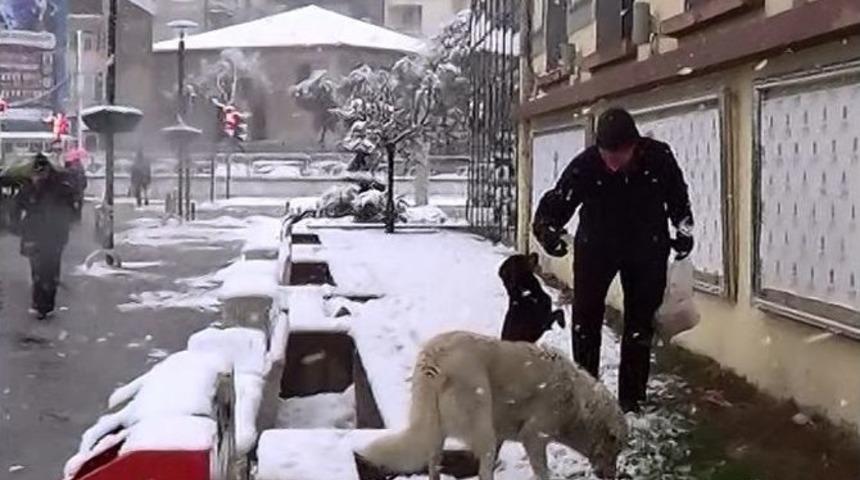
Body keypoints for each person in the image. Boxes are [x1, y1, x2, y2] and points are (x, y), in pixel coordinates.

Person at [532, 107, 694, 413]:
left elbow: (678, 196)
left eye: (619, 154)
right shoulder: (587, 165)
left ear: (635, 145)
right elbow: (559, 200)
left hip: (647, 246)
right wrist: (547, 230)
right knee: (585, 319)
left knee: (640, 324)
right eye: (607, 154)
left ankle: (631, 400)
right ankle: (587, 395)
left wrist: (683, 229)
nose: (613, 162)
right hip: (597, 247)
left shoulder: (658, 158)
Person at [13, 154, 78, 320]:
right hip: (34, 234)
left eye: (41, 172)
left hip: (54, 235)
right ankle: (39, 304)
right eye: (36, 173)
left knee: (50, 269)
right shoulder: (27, 188)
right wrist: (19, 226)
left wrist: (64, 220)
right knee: (37, 270)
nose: (38, 176)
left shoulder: (60, 187)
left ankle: (47, 304)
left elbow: (71, 208)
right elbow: (16, 208)